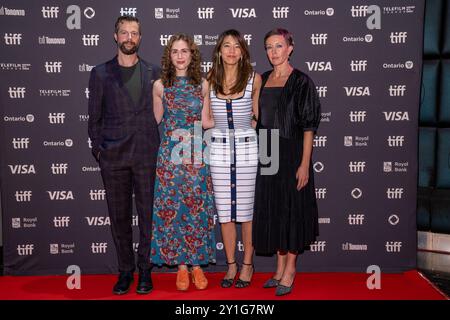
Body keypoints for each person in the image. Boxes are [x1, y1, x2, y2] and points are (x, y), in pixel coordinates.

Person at [87, 15, 160, 295]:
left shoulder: (155, 72)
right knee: (118, 218)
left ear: (140, 38)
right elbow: (94, 118)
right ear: (116, 36)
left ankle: (145, 271)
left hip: (146, 154)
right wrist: (99, 150)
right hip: (113, 157)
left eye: (134, 33)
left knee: (148, 218)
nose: (129, 37)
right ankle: (125, 271)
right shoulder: (100, 73)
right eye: (124, 33)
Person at [252, 28, 321, 296]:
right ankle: (278, 269)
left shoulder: (302, 82)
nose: (273, 52)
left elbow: (308, 127)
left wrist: (304, 164)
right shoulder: (264, 78)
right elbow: (259, 119)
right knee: (274, 209)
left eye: (278, 46)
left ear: (290, 47)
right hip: (267, 150)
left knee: (292, 210)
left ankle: (290, 269)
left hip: (292, 151)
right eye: (269, 47)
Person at [151, 33, 216, 291]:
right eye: (175, 51)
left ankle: (197, 264)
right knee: (172, 209)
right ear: (170, 55)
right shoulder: (159, 86)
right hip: (169, 154)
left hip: (196, 154)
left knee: (196, 208)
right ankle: (180, 265)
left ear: (192, 55)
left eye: (185, 51)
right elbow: (154, 121)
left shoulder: (202, 85)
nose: (180, 55)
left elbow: (207, 121)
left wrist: (239, 121)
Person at [208, 29, 261, 288]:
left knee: (246, 211)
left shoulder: (254, 79)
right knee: (225, 213)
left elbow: (257, 116)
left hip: (247, 151)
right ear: (219, 50)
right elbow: (205, 120)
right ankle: (231, 264)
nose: (231, 51)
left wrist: (244, 133)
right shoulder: (208, 81)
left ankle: (248, 263)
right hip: (217, 152)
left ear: (243, 51)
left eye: (236, 46)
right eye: (226, 46)